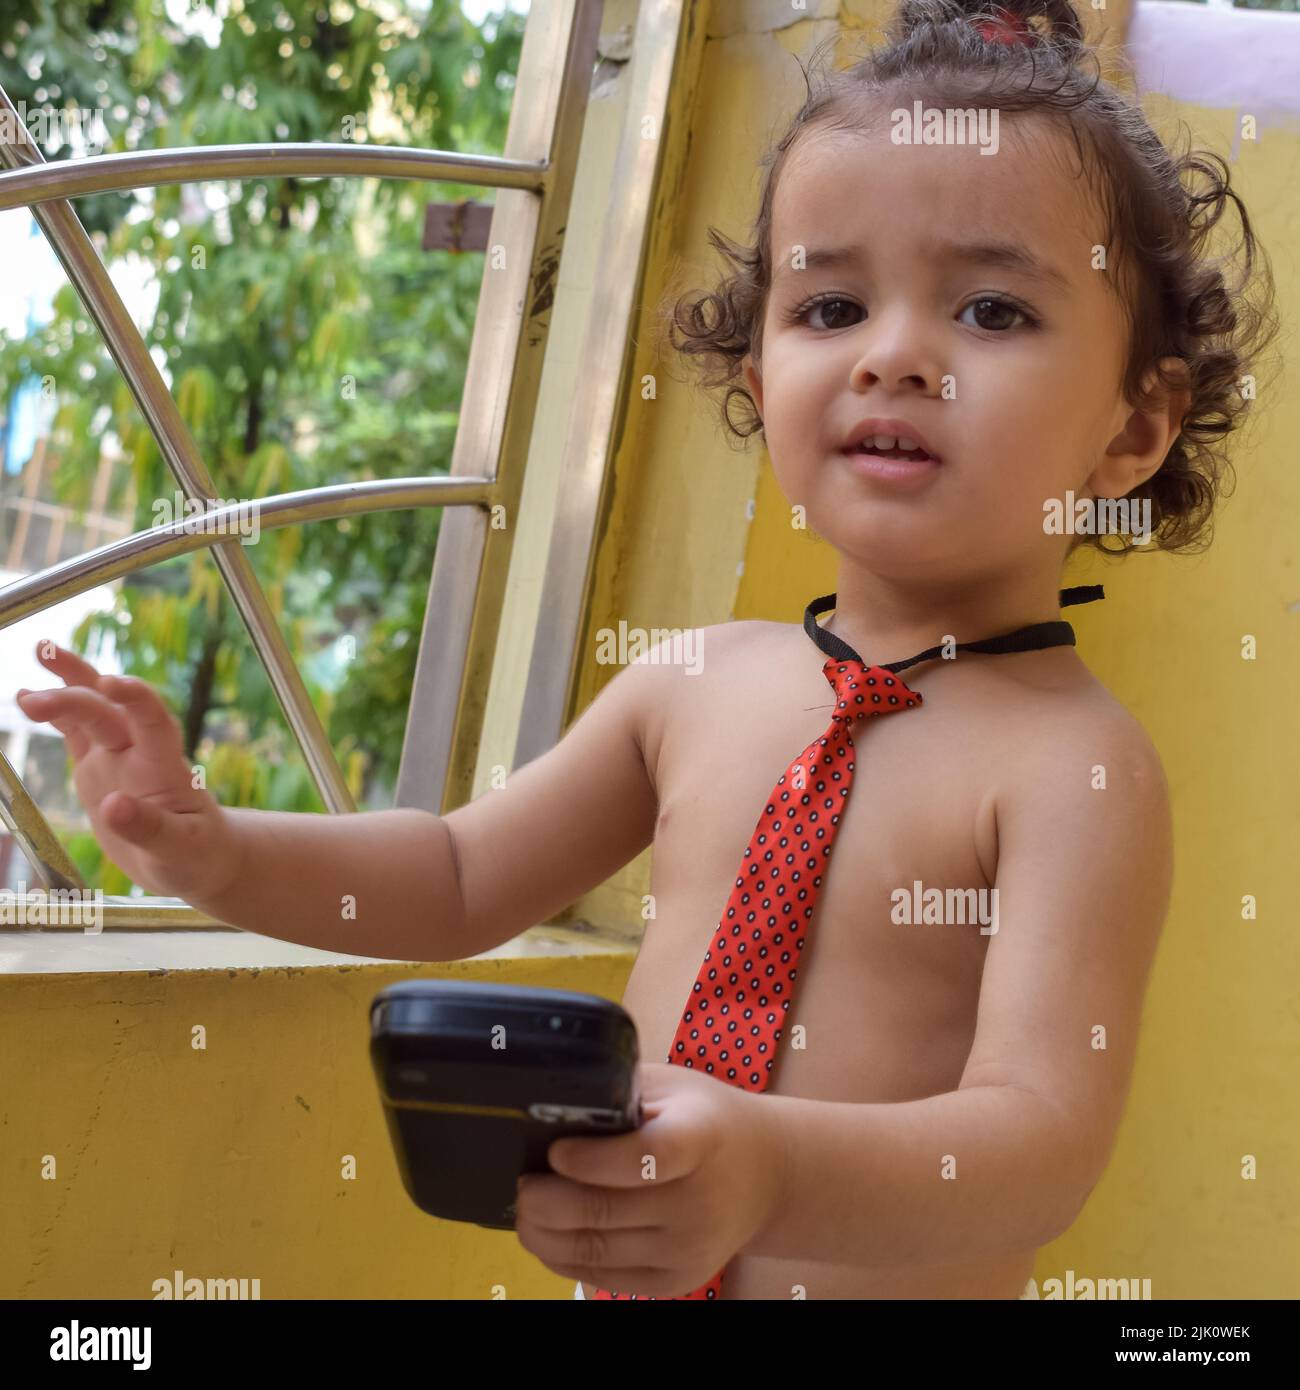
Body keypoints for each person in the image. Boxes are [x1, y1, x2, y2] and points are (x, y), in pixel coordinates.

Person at [15, 0, 1278, 1299]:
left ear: (1137, 426)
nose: (895, 357)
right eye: (832, 302)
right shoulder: (689, 682)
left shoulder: (1077, 767)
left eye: (995, 311)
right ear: (754, 366)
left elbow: (1038, 1141)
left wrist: (770, 1167)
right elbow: (454, 875)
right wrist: (212, 848)